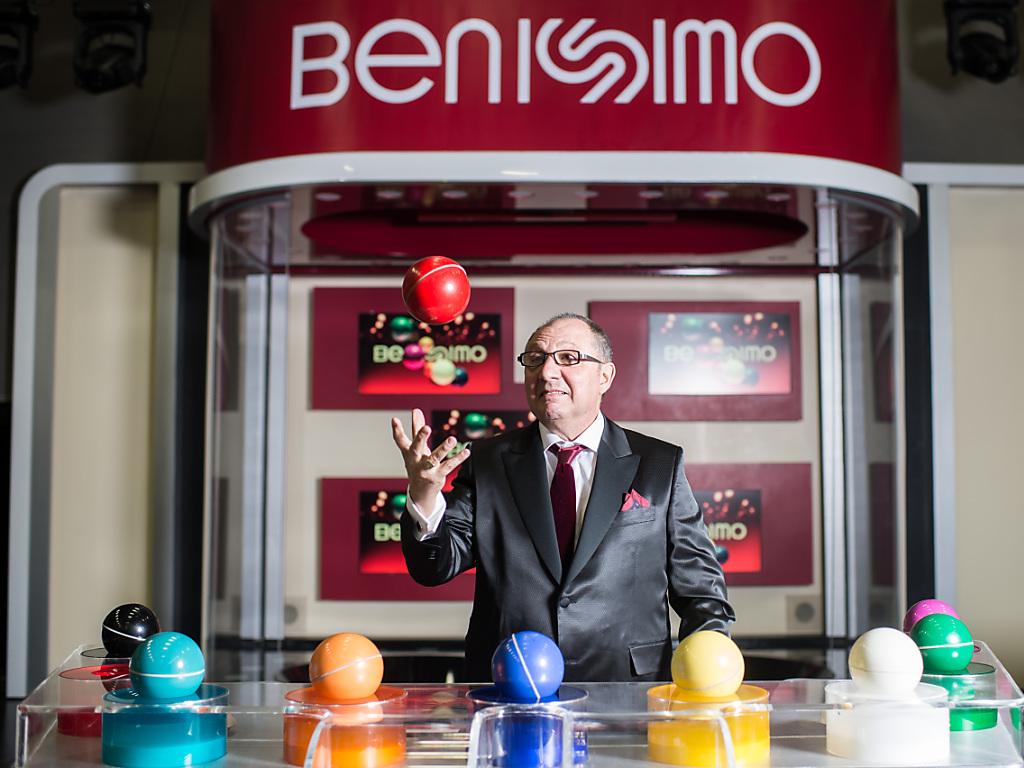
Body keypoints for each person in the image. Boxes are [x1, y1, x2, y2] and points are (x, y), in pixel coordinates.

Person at [390, 313, 734, 682]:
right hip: (510, 684)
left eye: (568, 358)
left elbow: (702, 593)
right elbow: (434, 568)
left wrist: (707, 679)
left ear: (605, 376)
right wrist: (425, 495)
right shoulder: (488, 462)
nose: (547, 372)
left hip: (627, 690)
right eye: (535, 359)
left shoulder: (659, 464)